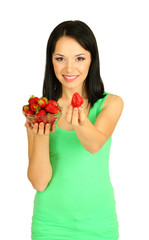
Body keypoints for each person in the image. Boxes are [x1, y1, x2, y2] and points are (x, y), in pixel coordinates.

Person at [25, 20, 124, 240]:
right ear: (51, 61)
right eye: (60, 59)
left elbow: (94, 144)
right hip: (49, 226)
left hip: (99, 224)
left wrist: (81, 123)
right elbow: (39, 182)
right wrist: (40, 135)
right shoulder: (40, 111)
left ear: (92, 60)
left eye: (79, 58)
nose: (69, 69)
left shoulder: (109, 104)